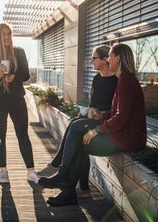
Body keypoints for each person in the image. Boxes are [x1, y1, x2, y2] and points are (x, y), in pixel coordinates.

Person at [38, 43, 147, 206]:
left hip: (126, 139)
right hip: (122, 134)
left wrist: (97, 129)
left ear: (117, 58)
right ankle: (67, 185)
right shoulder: (124, 79)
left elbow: (122, 118)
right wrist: (102, 115)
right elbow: (119, 113)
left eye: (110, 55)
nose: (108, 59)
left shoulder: (126, 81)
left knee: (78, 135)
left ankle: (65, 182)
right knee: (77, 131)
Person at [37, 45, 118, 197]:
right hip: (93, 119)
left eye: (94, 58)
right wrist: (92, 110)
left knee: (77, 132)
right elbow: (93, 102)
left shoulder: (116, 80)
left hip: (105, 123)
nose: (91, 61)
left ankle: (59, 169)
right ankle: (82, 186)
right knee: (74, 124)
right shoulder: (96, 78)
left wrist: (101, 114)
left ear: (105, 59)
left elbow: (117, 111)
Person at [0, 22, 38, 184]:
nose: (7, 37)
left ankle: (31, 171)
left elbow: (26, 74)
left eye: (9, 34)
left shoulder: (19, 52)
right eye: (3, 34)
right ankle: (3, 170)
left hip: (16, 100)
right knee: (0, 135)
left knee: (23, 134)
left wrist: (14, 76)